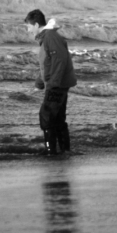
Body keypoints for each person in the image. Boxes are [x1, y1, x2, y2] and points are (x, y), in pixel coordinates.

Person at [24, 9, 77, 155]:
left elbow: (59, 61)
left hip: (57, 85)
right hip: (58, 83)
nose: (28, 31)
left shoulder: (50, 37)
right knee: (57, 119)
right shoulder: (47, 38)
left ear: (35, 25)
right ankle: (63, 151)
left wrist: (53, 84)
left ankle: (51, 152)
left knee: (46, 118)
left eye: (28, 27)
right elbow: (48, 64)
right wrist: (39, 84)